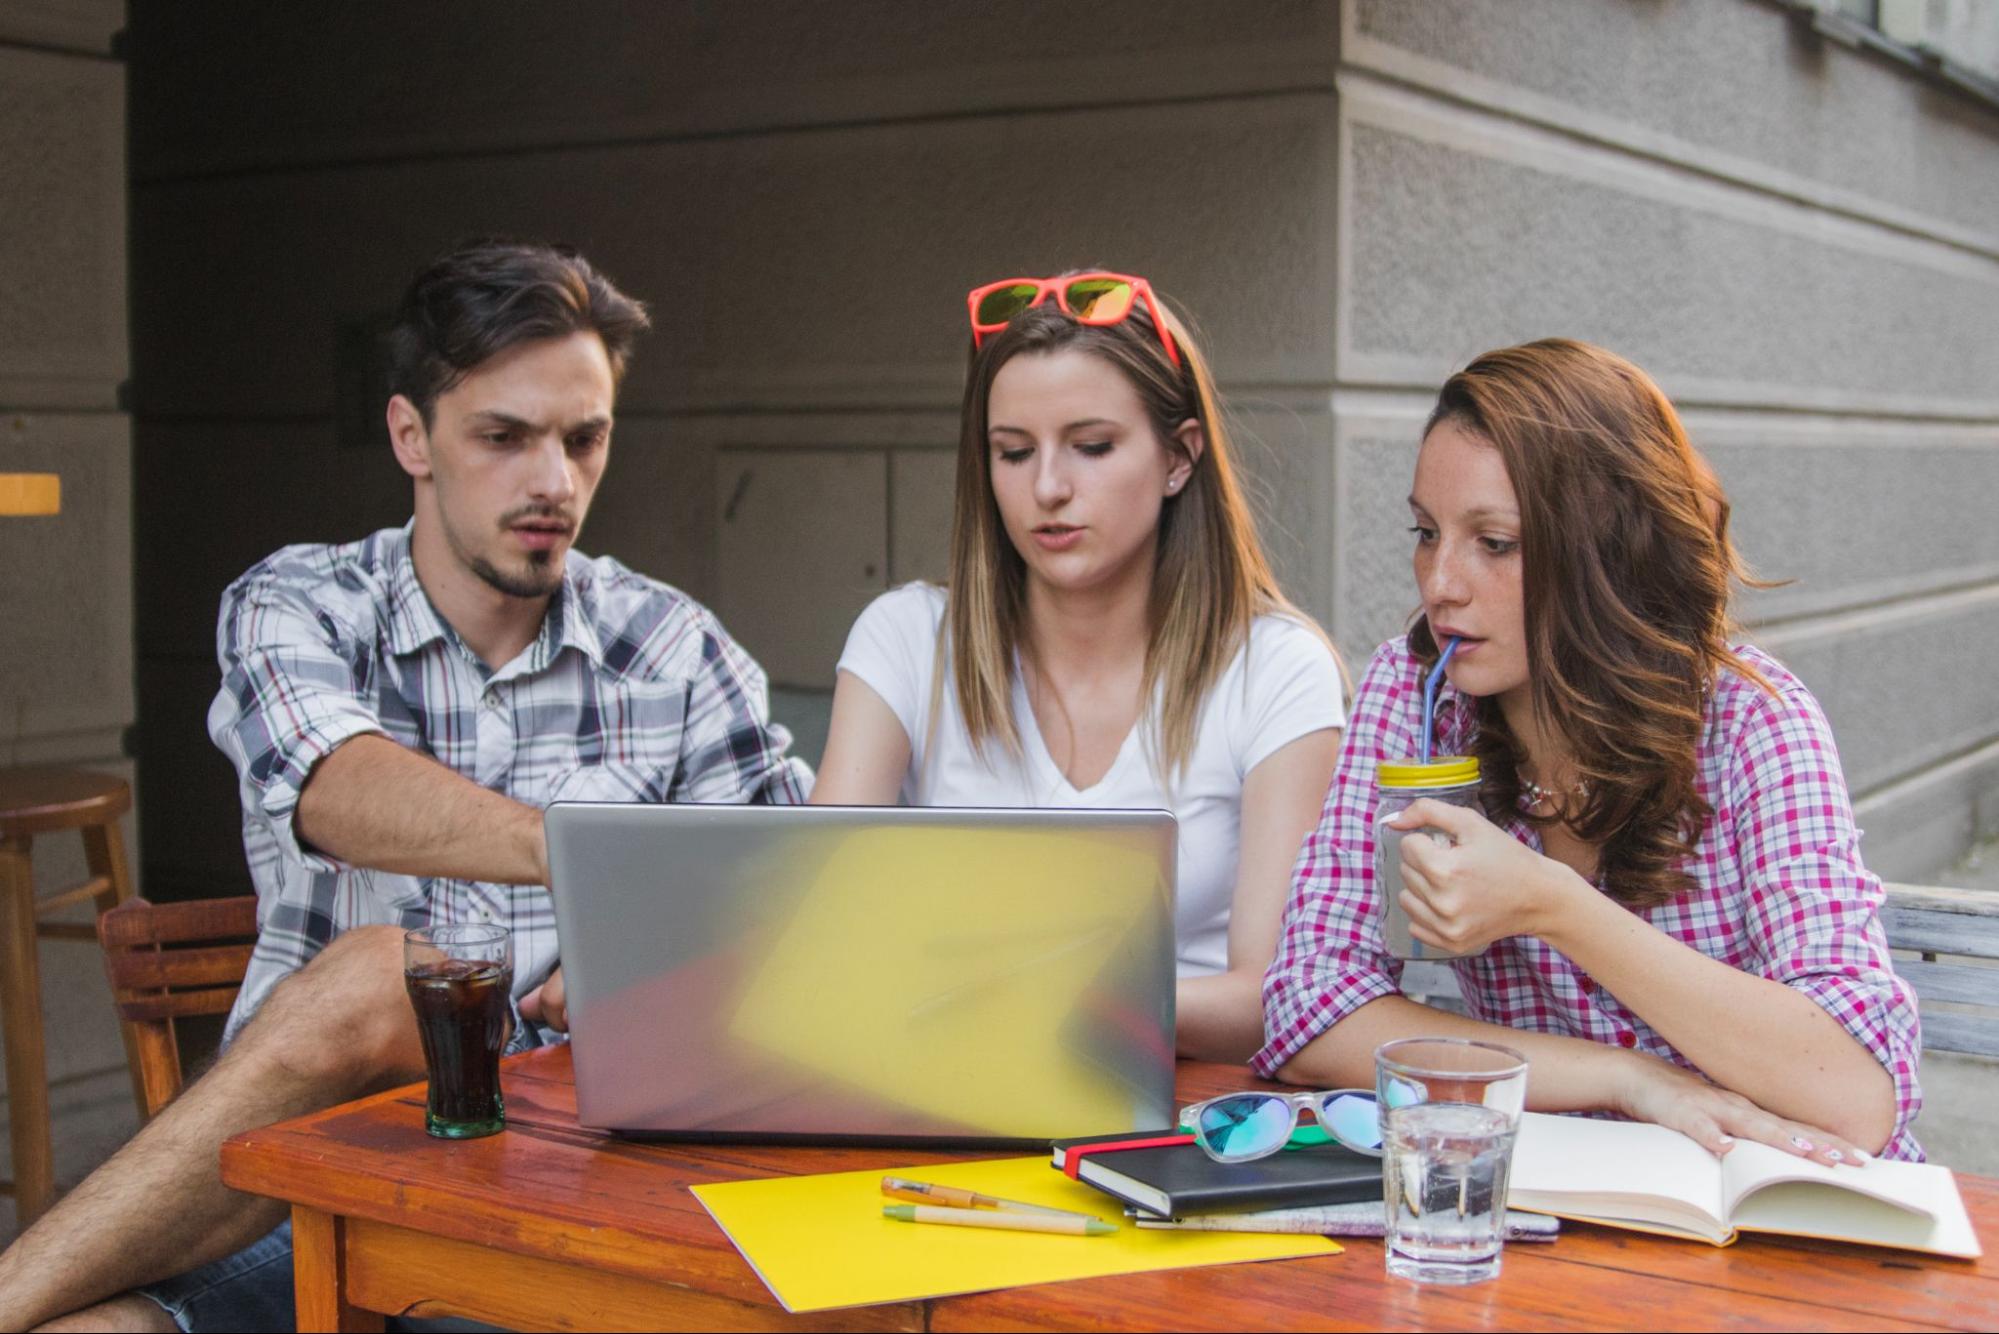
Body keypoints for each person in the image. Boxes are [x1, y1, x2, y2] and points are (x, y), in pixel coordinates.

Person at [0, 239, 809, 1332]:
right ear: (410, 436)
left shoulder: (674, 646)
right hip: (323, 1179)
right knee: (384, 981)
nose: (554, 482)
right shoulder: (297, 603)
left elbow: (790, 906)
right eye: (504, 437)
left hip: (588, 1187)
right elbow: (334, 787)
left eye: (584, 438)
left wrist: (665, 947)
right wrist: (596, 860)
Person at [1258, 338, 1921, 1161]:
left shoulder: (1752, 721)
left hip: (1781, 1206)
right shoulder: (1419, 692)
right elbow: (1309, 1009)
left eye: (1493, 542)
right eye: (1426, 532)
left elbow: (1855, 1098)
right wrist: (1623, 1076)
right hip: (1573, 1201)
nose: (1439, 583)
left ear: (1610, 550)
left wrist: (1553, 905)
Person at [812, 272, 1345, 1063]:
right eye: (1013, 453)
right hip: (938, 1088)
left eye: (1091, 447)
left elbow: (1274, 998)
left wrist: (1044, 999)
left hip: (1186, 1116)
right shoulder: (904, 637)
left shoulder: (1276, 669)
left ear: (1178, 458)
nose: (1048, 488)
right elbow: (819, 927)